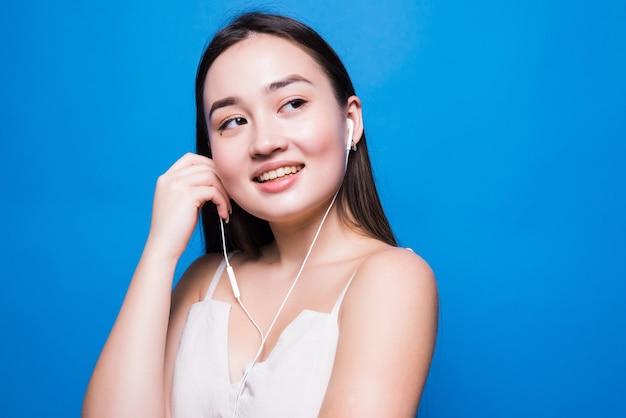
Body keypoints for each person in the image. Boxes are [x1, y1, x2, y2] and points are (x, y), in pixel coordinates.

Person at [83, 11, 438, 418]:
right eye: (232, 121)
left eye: (292, 103)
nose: (265, 142)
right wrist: (160, 250)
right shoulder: (204, 280)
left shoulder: (391, 277)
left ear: (350, 121)